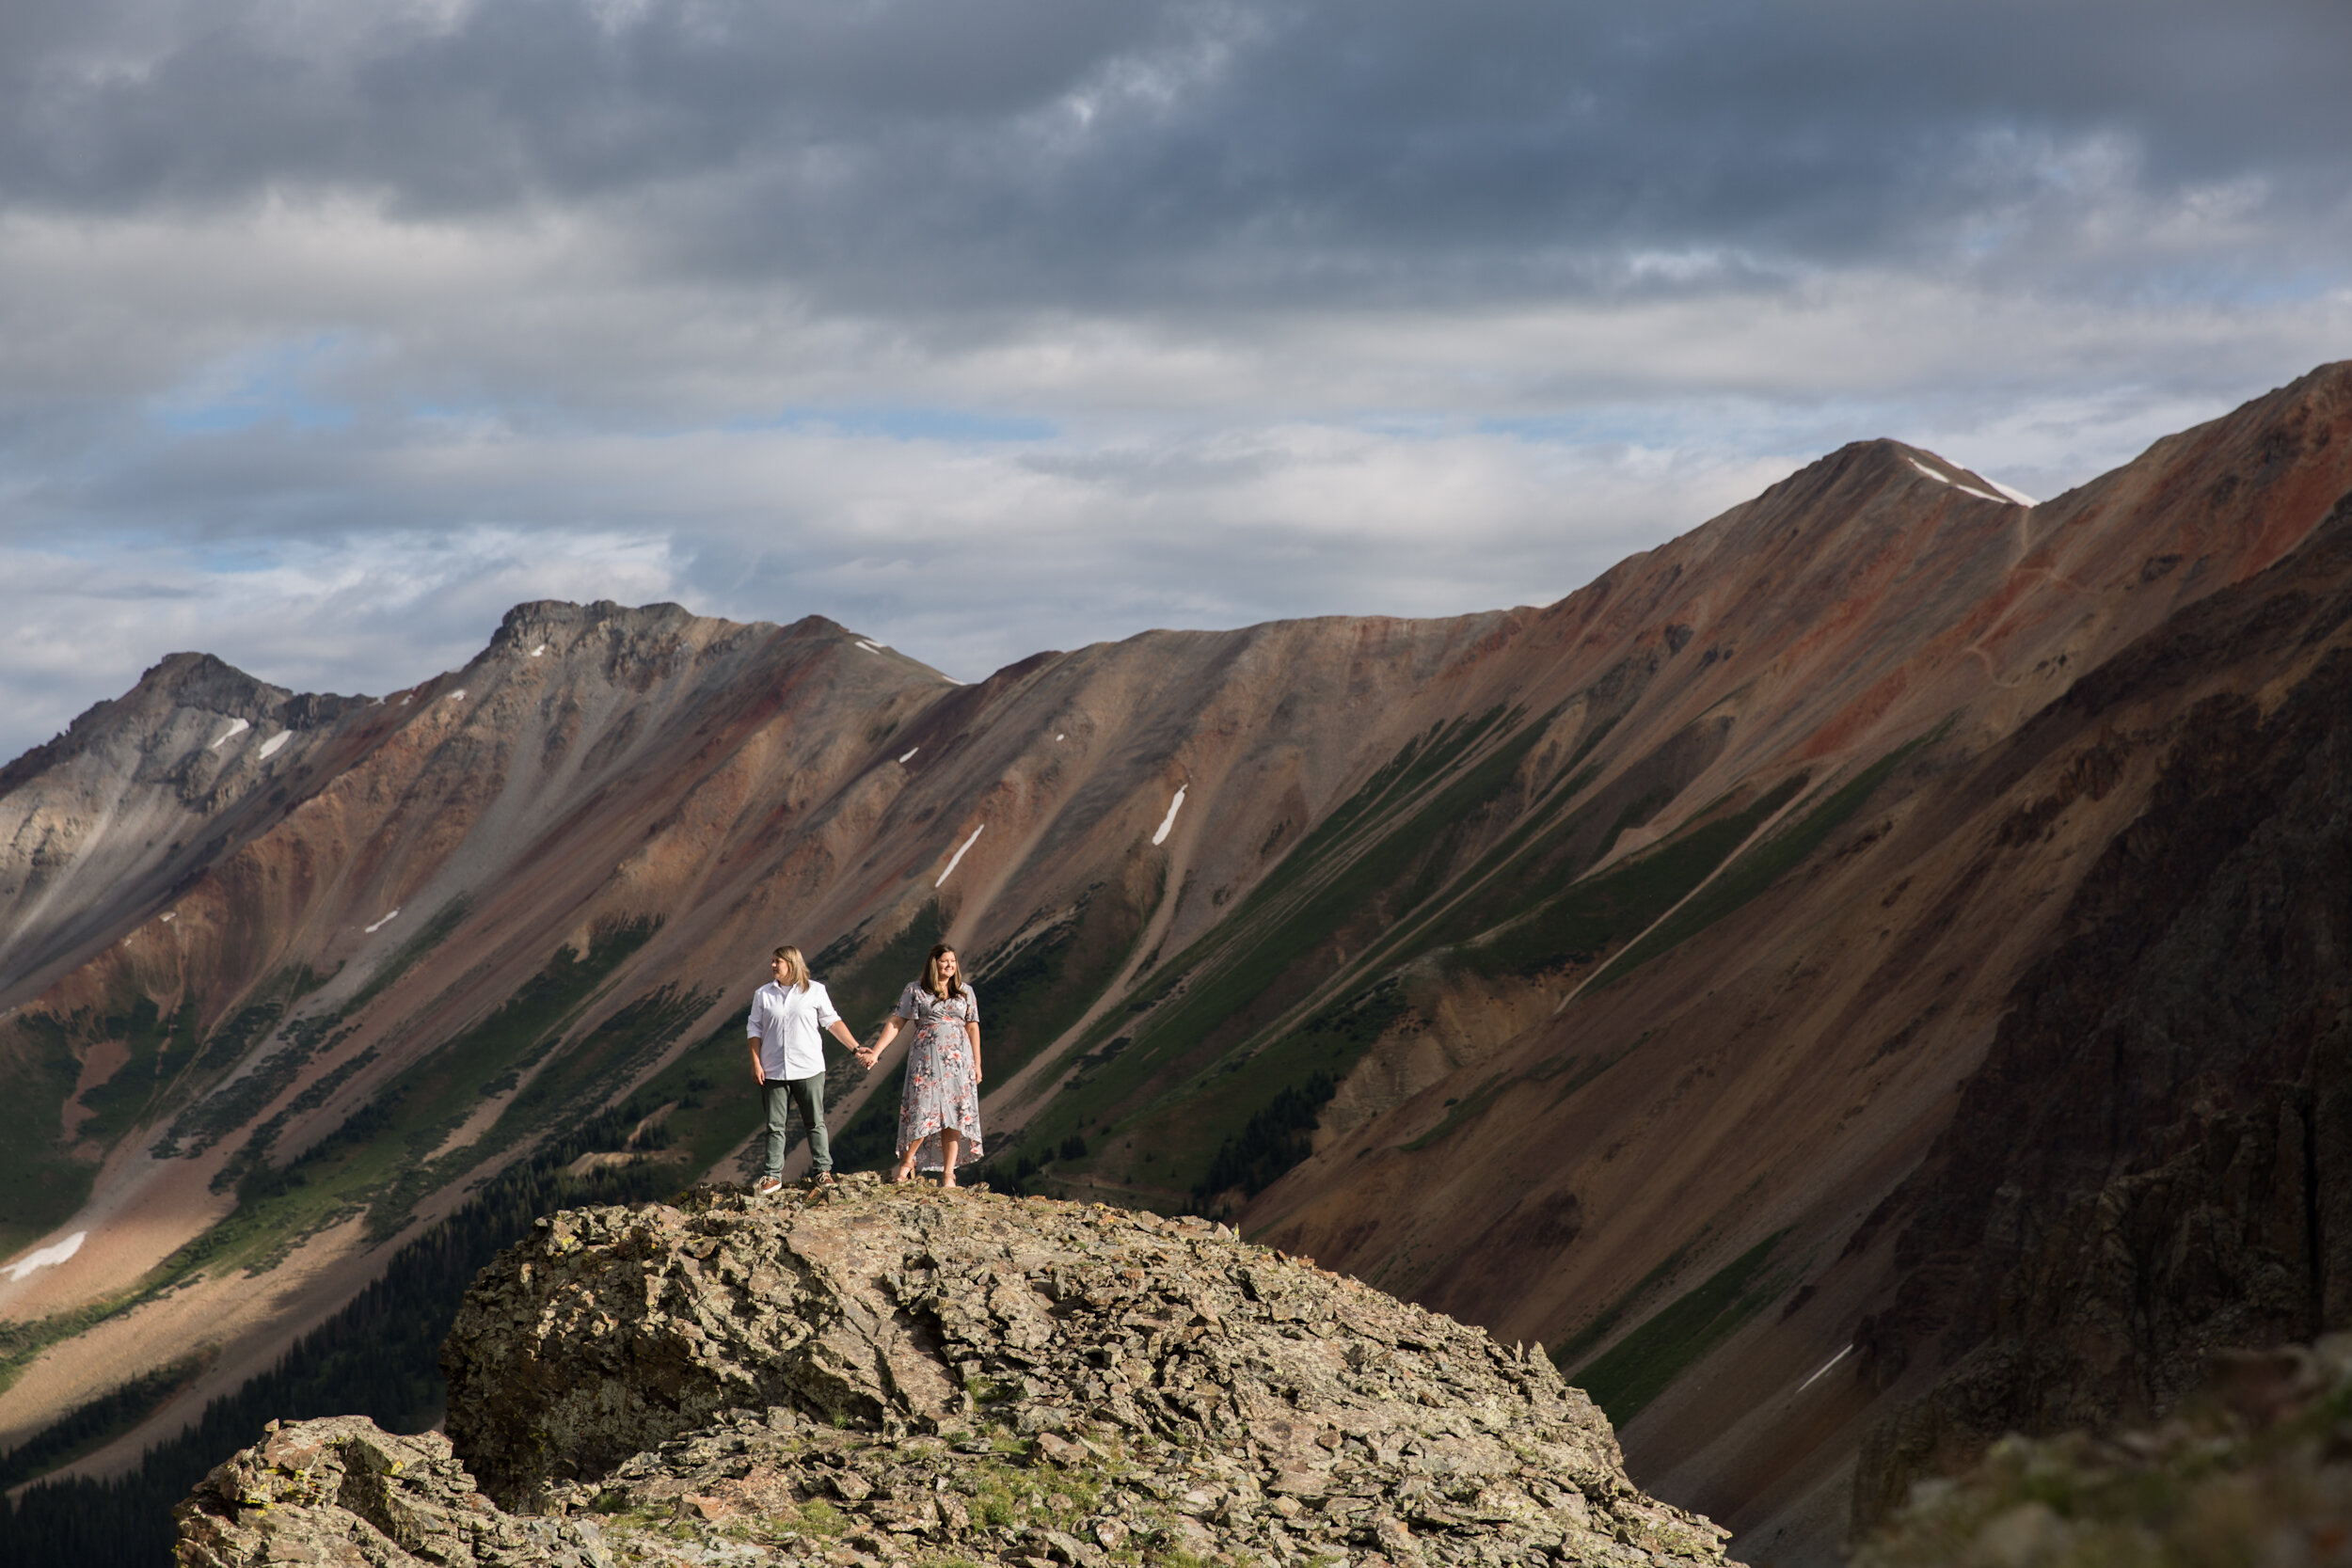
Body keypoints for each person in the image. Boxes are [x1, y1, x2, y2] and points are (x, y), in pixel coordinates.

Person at [858, 942, 983, 1186]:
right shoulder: (915, 990)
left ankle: (949, 1174)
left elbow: (972, 1027)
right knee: (922, 1109)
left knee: (955, 1114)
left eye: (953, 961)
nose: (950, 965)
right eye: (944, 961)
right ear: (934, 964)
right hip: (926, 1060)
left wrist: (977, 1064)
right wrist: (877, 1051)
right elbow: (897, 1022)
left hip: (959, 1061)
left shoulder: (965, 991)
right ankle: (907, 1163)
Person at [747, 943, 864, 1195]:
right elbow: (754, 1029)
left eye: (778, 961)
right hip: (774, 1070)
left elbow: (832, 1022)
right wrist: (756, 1062)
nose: (773, 965)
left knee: (814, 1121)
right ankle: (772, 1175)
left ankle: (823, 1171)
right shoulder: (763, 995)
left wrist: (856, 1048)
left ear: (792, 963)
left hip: (809, 1068)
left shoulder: (815, 991)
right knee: (775, 1125)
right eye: (773, 961)